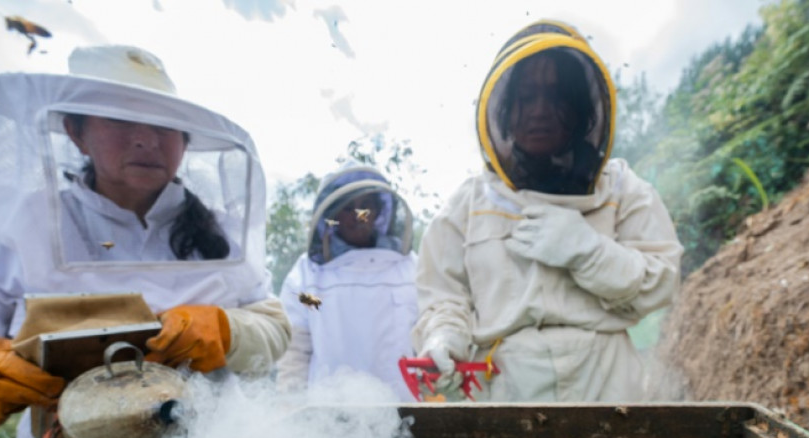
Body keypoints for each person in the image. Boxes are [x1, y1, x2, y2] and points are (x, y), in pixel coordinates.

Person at [0, 45, 290, 438]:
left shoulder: (223, 233)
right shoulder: (15, 229)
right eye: (120, 123)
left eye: (164, 127)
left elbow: (274, 326)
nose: (145, 140)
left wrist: (227, 330)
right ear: (76, 133)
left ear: (185, 141)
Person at [412, 20, 683, 402]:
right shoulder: (468, 204)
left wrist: (589, 252)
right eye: (525, 96)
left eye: (557, 96)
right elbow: (444, 298)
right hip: (506, 388)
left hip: (607, 386)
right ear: (504, 109)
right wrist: (445, 338)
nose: (539, 111)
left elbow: (661, 282)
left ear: (582, 109)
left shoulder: (623, 188)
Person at [276, 165, 418, 402]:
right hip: (327, 418)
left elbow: (428, 337)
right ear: (333, 214)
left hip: (406, 412)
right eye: (348, 207)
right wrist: (290, 407)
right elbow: (294, 353)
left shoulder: (409, 267)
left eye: (367, 206)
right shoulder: (308, 274)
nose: (358, 215)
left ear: (379, 211)